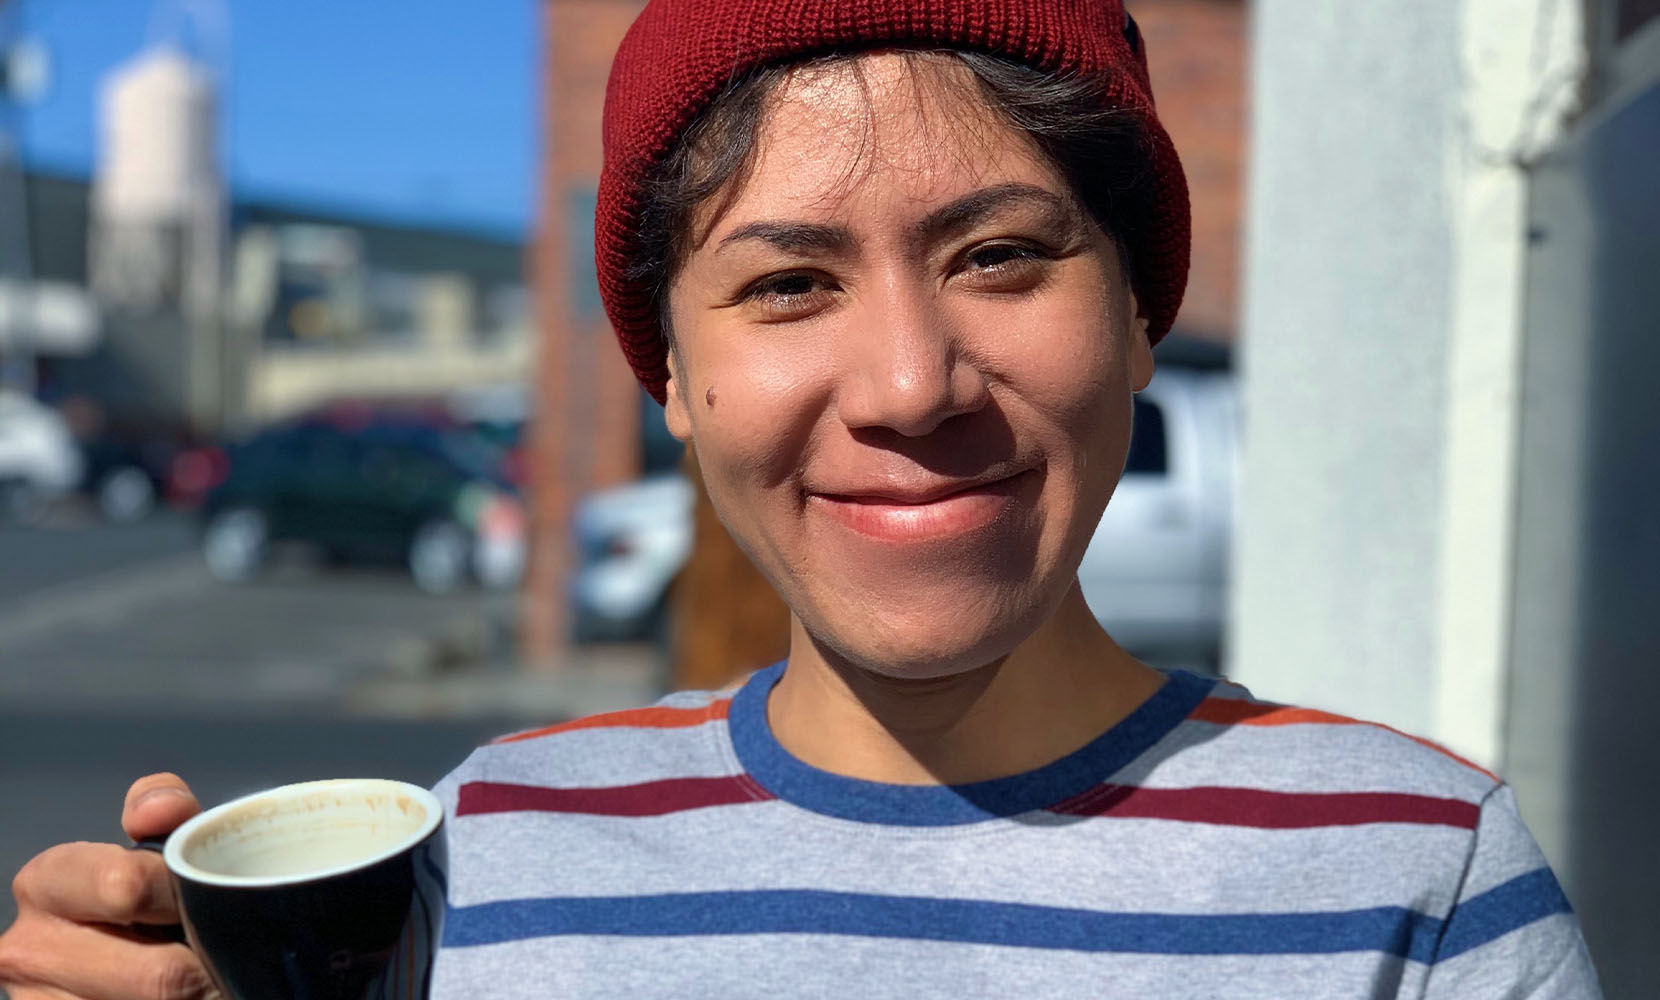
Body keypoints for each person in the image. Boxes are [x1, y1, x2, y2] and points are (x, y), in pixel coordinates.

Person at [0, 1, 1603, 997]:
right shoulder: (489, 859)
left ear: (1137, 313)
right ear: (674, 380)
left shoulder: (1415, 877)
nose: (912, 383)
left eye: (1001, 256)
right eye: (787, 284)